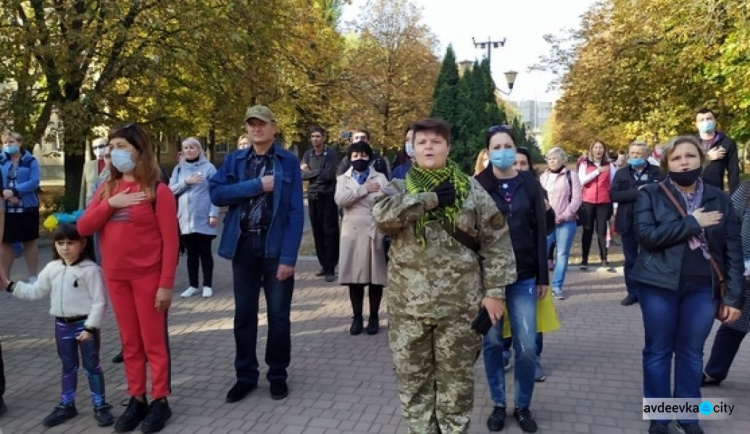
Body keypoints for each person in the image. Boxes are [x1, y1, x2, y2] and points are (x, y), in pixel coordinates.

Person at [372, 117, 516, 434]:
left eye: (436, 141)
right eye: (421, 141)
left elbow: (498, 242)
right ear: (411, 148)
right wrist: (431, 198)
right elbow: (382, 217)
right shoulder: (397, 187)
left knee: (457, 388)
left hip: (459, 311)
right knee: (414, 386)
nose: (428, 146)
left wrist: (495, 292)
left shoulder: (471, 189)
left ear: (447, 147)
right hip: (408, 310)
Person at [631, 135, 742, 434]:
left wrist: (733, 297)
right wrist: (692, 223)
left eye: (690, 156)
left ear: (701, 160)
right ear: (667, 163)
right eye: (677, 157)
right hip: (658, 285)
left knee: (692, 352)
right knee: (658, 350)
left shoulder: (719, 198)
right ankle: (659, 417)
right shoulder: (651, 194)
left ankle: (688, 416)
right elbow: (647, 237)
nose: (684, 162)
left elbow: (732, 248)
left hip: (703, 287)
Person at [77, 123, 179, 433]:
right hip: (117, 279)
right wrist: (110, 204)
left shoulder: (157, 192)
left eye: (121, 145)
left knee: (153, 343)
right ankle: (137, 398)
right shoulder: (107, 189)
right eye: (111, 146)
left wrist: (165, 285)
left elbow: (171, 243)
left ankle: (160, 400)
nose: (113, 152)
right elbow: (83, 228)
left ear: (139, 150)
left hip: (148, 280)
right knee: (130, 344)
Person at [209, 105, 304, 404]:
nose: (256, 129)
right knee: (244, 316)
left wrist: (289, 258)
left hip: (275, 249)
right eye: (251, 124)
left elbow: (295, 213)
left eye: (262, 124)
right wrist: (256, 186)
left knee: (278, 317)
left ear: (273, 127)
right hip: (244, 247)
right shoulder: (234, 160)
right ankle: (246, 376)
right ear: (247, 129)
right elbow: (216, 193)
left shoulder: (288, 162)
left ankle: (277, 375)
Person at [2, 222, 113, 428]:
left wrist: (90, 327)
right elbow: (36, 291)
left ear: (83, 243)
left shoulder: (90, 270)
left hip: (84, 325)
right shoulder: (52, 268)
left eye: (70, 243)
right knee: (68, 367)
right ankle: (67, 404)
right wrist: (10, 285)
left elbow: (99, 302)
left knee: (92, 367)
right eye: (60, 243)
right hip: (62, 326)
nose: (65, 247)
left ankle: (100, 405)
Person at [475, 125, 548, 432]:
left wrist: (543, 274)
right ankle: (498, 404)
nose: (503, 151)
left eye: (508, 145)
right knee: (491, 343)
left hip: (524, 276)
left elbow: (541, 230)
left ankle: (522, 405)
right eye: (497, 146)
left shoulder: (528, 183)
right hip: (489, 279)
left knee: (527, 345)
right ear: (488, 152)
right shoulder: (477, 185)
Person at [335, 141, 388, 335]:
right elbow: (340, 200)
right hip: (352, 231)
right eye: (355, 156)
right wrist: (364, 189)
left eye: (363, 155)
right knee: (354, 279)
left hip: (374, 229)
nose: (359, 159)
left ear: (370, 157)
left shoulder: (380, 177)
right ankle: (357, 317)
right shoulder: (343, 179)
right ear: (349, 159)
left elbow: (388, 197)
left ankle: (374, 317)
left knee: (375, 278)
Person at [702, 180, 750, 387]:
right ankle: (714, 372)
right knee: (733, 325)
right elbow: (727, 224)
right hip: (744, 273)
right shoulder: (746, 190)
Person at [610, 141, 664, 306]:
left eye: (638, 154)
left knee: (650, 258)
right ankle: (632, 293)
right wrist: (637, 192)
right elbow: (613, 195)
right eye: (632, 153)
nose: (634, 156)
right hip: (628, 222)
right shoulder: (621, 173)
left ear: (646, 155)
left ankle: (649, 292)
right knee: (631, 260)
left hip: (651, 222)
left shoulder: (658, 172)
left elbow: (663, 192)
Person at [170, 137, 219, 299]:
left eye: (192, 147)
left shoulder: (209, 168)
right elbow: (171, 190)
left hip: (204, 217)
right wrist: (186, 181)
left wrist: (213, 213)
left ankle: (207, 285)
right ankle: (192, 285)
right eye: (185, 148)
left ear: (199, 149)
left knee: (205, 252)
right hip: (185, 219)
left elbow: (216, 192)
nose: (189, 150)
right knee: (191, 254)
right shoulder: (178, 169)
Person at [540, 147, 582, 300]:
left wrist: (563, 216)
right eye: (550, 158)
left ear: (563, 160)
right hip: (547, 222)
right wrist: (548, 216)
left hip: (566, 222)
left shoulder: (572, 175)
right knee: (541, 253)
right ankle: (540, 283)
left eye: (555, 158)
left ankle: (557, 286)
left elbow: (577, 199)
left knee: (562, 254)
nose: (552, 161)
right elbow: (540, 199)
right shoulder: (543, 177)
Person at [301, 126, 339, 282]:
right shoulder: (307, 154)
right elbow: (302, 174)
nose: (315, 139)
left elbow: (329, 175)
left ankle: (331, 267)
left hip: (328, 196)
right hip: (313, 196)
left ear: (324, 138)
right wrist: (315, 173)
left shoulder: (330, 154)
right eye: (313, 136)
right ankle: (323, 264)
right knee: (317, 231)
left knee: (330, 232)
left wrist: (311, 173)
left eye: (318, 136)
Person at [1, 131, 40, 283]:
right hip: (6, 209)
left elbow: (34, 182)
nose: (7, 145)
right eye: (5, 142)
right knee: (6, 242)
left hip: (27, 207)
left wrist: (16, 191)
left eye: (11, 142)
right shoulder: (1, 160)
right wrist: (7, 194)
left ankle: (32, 275)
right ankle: (5, 278)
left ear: (19, 143)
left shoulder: (31, 161)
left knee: (29, 241)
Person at [578, 139, 616, 269]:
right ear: (591, 150)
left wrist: (615, 205)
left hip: (604, 202)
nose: (598, 150)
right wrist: (597, 171)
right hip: (587, 201)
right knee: (587, 230)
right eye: (596, 148)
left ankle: (604, 258)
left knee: (602, 231)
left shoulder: (610, 165)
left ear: (604, 150)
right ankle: (584, 260)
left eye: (601, 148)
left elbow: (613, 184)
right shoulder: (585, 164)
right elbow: (581, 181)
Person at [695, 108, 739, 193]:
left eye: (709, 119)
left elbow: (734, 173)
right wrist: (707, 157)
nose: (706, 122)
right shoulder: (691, 143)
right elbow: (685, 166)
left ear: (715, 121)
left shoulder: (727, 143)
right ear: (696, 124)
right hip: (693, 192)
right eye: (701, 120)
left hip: (716, 192)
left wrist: (735, 198)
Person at [80, 138, 109, 209]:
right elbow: (83, 190)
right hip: (89, 206)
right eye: (94, 148)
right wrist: (80, 209)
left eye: (101, 146)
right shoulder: (88, 166)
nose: (97, 149)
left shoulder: (114, 165)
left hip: (106, 206)